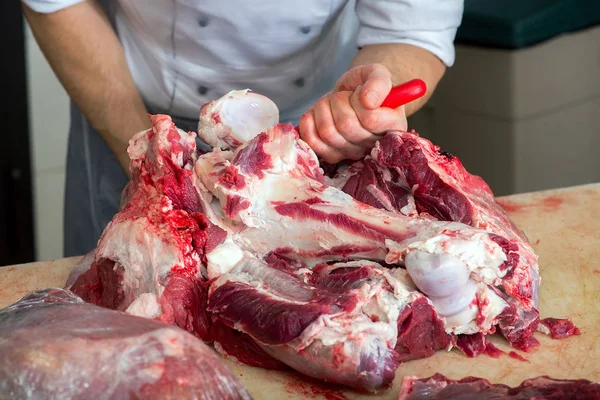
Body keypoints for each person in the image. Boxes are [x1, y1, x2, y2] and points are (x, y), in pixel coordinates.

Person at [22, 0, 464, 257]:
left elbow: (413, 27)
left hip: (312, 130)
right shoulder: (138, 134)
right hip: (132, 114)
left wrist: (363, 101)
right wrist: (147, 154)